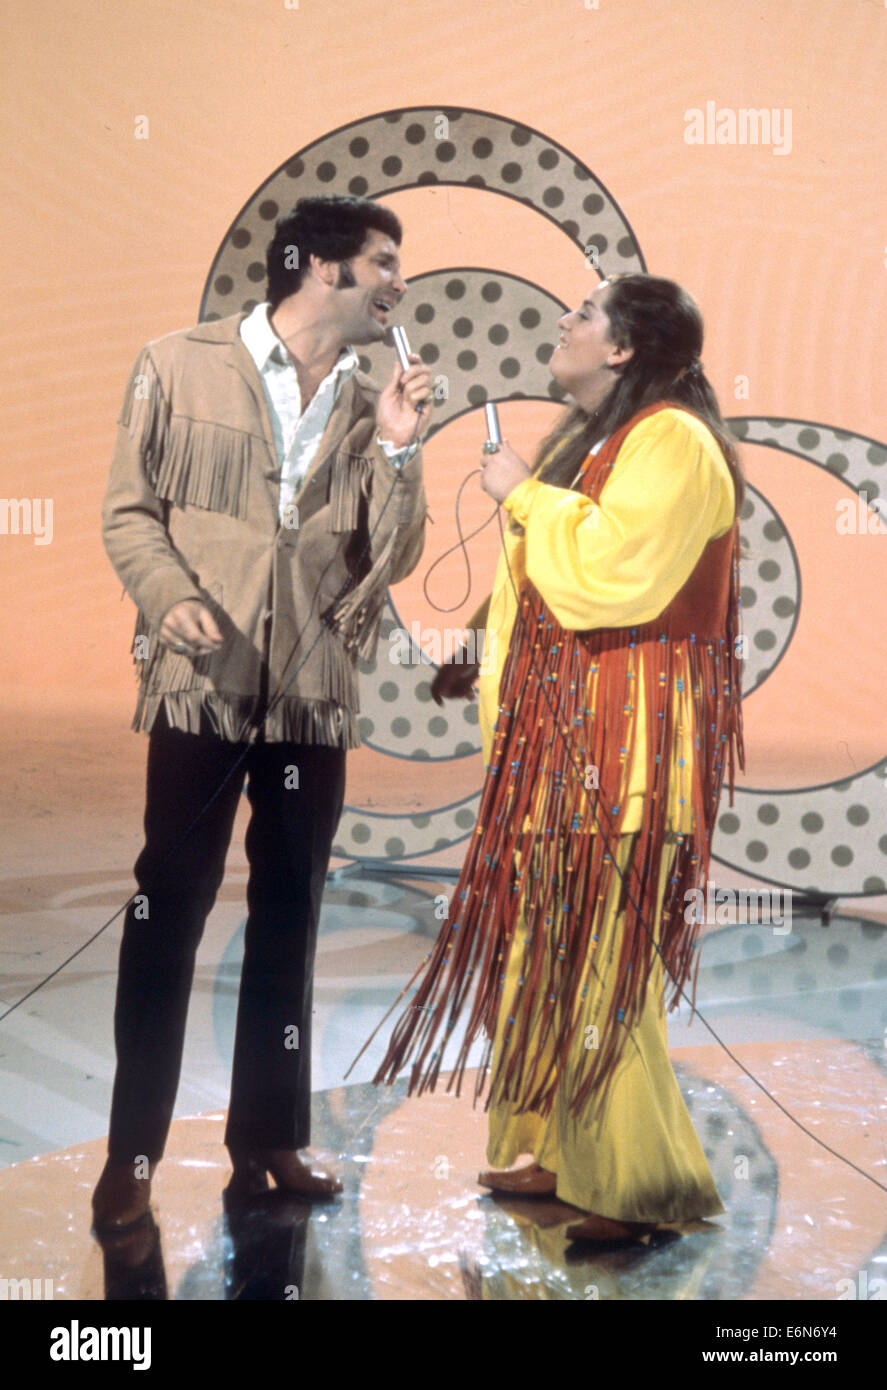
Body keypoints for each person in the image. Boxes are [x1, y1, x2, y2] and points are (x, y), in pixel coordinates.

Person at [372, 272, 745, 1242]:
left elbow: (612, 577)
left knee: (600, 965)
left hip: (622, 748)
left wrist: (522, 496)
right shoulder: (596, 442)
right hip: (558, 744)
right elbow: (547, 574)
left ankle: (636, 1185)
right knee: (539, 948)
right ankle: (554, 1144)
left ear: (622, 349)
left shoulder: (670, 439)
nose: (562, 324)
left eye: (582, 315)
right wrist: (476, 642)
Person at [94, 195, 431, 1231]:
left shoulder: (371, 397)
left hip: (310, 698)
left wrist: (399, 450)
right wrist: (167, 596)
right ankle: (132, 1153)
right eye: (383, 263)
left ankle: (269, 1136)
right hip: (201, 684)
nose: (396, 286)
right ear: (323, 269)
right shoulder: (175, 361)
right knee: (168, 911)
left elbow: (393, 556)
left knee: (288, 917)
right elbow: (129, 510)